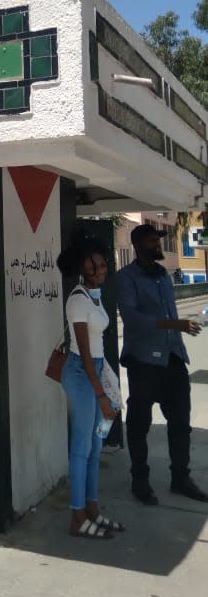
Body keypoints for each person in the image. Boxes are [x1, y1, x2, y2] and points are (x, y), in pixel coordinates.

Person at [117, 222, 207, 505]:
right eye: (153, 241)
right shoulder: (126, 278)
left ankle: (180, 477)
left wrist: (176, 332)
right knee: (139, 424)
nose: (158, 244)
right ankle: (140, 480)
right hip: (143, 362)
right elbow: (132, 318)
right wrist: (174, 324)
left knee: (181, 423)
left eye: (158, 240)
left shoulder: (164, 276)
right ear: (138, 245)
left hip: (173, 359)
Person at [57, 232, 123, 539]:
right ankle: (77, 517)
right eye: (93, 264)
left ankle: (93, 511)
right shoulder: (76, 300)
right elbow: (84, 353)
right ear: (82, 268)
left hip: (95, 371)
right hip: (83, 376)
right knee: (81, 448)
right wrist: (101, 395)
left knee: (96, 447)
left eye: (101, 262)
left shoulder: (94, 295)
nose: (100, 268)